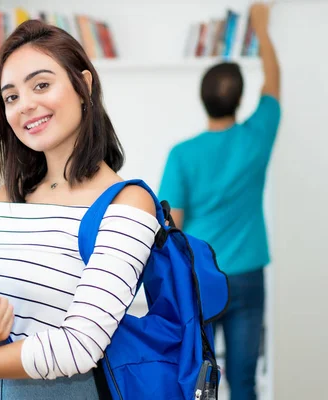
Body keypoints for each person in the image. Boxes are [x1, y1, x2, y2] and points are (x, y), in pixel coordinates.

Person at [0, 20, 160, 399]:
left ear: (84, 86)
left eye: (41, 85)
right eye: (11, 97)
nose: (25, 105)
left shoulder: (127, 203)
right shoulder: (3, 199)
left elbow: (79, 346)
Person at [158, 4, 280, 400]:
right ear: (239, 99)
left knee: (198, 380)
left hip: (202, 279)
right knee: (243, 381)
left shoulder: (183, 154)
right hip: (248, 276)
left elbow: (171, 227)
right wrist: (262, 30)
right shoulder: (256, 137)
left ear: (202, 98)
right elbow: (275, 83)